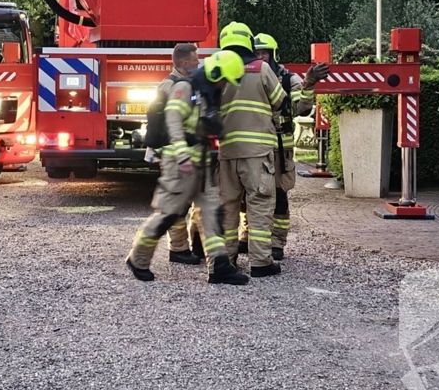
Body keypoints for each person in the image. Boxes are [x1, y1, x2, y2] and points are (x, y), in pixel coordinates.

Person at [126, 51, 249, 285]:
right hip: (180, 163)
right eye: (224, 80)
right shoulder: (185, 88)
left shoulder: (205, 91)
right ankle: (138, 258)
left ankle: (219, 267)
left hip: (199, 162)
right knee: (168, 214)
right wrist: (182, 155)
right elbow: (173, 119)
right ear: (215, 73)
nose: (224, 85)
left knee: (213, 213)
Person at [241, 33, 329, 260]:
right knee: (250, 194)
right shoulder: (247, 75)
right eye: (257, 53)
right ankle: (246, 237)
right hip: (256, 146)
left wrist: (308, 84)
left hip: (281, 149)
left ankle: (277, 242)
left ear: (273, 54)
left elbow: (302, 109)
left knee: (279, 197)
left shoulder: (288, 79)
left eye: (264, 53)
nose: (260, 57)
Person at [214, 22, 287, 278]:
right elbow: (280, 101)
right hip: (257, 154)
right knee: (259, 206)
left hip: (227, 153)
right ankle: (260, 263)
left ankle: (223, 264)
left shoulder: (217, 70)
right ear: (248, 42)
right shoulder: (261, 68)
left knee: (227, 208)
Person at [154, 43, 202, 266]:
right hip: (177, 152)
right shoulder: (172, 85)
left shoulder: (186, 83)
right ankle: (179, 249)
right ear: (184, 63)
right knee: (178, 203)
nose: (198, 62)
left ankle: (194, 244)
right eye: (195, 59)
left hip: (189, 151)